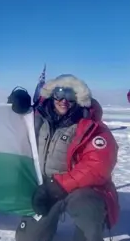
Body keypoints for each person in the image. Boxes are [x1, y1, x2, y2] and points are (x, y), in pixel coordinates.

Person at [9, 74, 120, 241]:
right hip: (45, 186)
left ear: (79, 99)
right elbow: (10, 129)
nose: (63, 100)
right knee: (28, 238)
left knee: (87, 208)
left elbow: (97, 166)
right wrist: (18, 106)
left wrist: (58, 186)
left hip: (80, 189)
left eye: (70, 96)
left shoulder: (91, 125)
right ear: (52, 95)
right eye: (59, 94)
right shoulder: (38, 117)